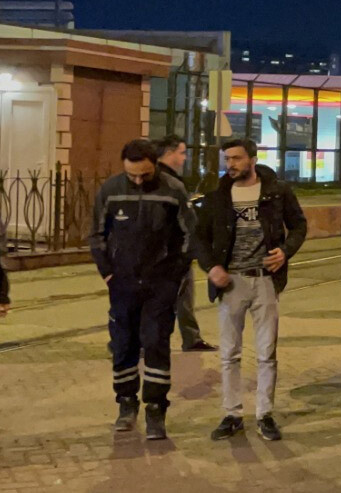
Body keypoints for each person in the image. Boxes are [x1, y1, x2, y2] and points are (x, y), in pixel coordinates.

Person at [197, 138, 308, 442]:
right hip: (231, 281)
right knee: (229, 353)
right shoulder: (218, 196)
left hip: (265, 280)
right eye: (226, 159)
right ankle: (232, 414)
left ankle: (264, 414)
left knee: (266, 352)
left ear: (252, 159)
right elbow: (199, 239)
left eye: (235, 158)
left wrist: (286, 251)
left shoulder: (276, 191)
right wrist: (211, 267)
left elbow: (299, 226)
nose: (229, 164)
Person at [90, 139, 196, 441]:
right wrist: (108, 272)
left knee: (156, 343)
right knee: (123, 344)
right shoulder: (111, 190)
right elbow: (97, 233)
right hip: (122, 283)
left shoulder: (172, 190)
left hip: (160, 284)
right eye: (132, 175)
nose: (138, 180)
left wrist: (175, 274)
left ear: (154, 165)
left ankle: (155, 408)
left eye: (144, 175)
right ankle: (126, 403)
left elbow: (191, 234)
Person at [155, 135, 217, 353]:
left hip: (177, 251)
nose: (184, 158)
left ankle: (191, 338)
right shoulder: (165, 181)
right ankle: (147, 342)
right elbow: (182, 220)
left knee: (185, 296)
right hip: (169, 252)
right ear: (169, 153)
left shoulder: (168, 179)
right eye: (181, 153)